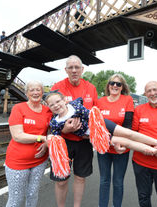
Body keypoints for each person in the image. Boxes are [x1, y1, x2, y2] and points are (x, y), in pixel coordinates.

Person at [50, 55, 98, 207]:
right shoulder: (57, 87)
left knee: (80, 177)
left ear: (82, 69)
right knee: (61, 179)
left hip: (84, 142)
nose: (74, 70)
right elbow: (51, 117)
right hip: (63, 142)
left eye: (77, 67)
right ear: (66, 70)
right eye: (70, 67)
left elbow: (96, 115)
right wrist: (64, 129)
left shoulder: (91, 88)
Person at [4, 80, 53, 207]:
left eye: (38, 90)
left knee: (33, 194)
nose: (35, 92)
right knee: (16, 199)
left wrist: (47, 143)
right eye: (32, 90)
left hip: (40, 161)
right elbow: (17, 136)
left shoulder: (48, 111)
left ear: (42, 92)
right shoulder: (18, 108)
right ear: (26, 93)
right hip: (18, 162)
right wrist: (41, 139)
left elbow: (51, 132)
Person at [96, 74, 134, 207]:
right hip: (104, 147)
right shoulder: (100, 102)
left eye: (118, 84)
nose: (115, 86)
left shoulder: (128, 100)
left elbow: (128, 125)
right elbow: (97, 127)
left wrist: (119, 144)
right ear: (108, 85)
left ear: (122, 87)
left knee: (118, 182)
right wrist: (109, 141)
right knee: (104, 181)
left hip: (121, 148)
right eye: (112, 83)